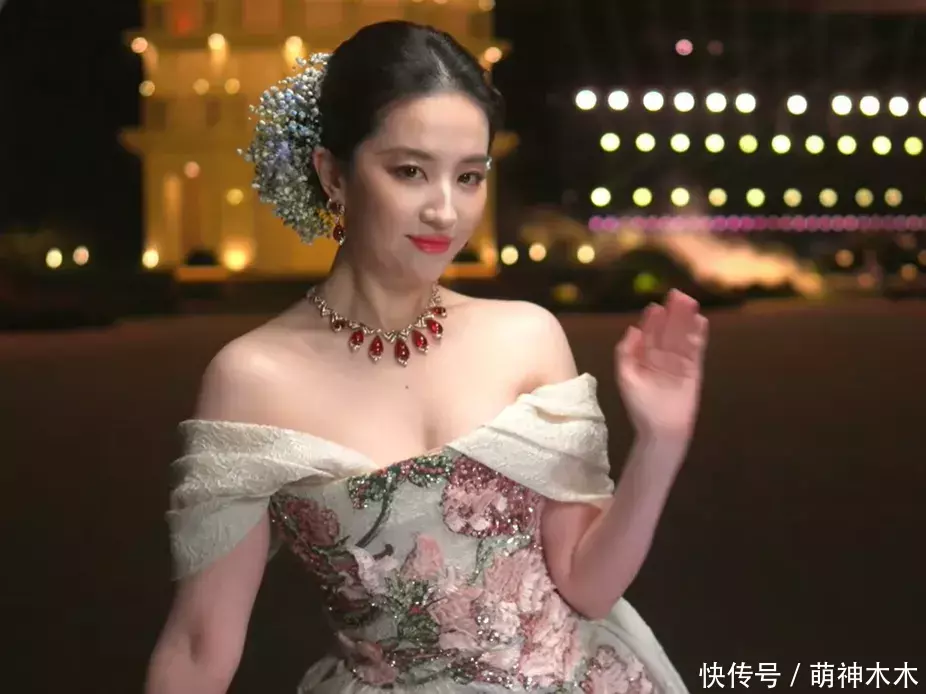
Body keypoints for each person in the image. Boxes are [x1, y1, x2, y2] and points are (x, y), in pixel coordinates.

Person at [145, 20, 707, 694]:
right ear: (334, 175)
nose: (446, 211)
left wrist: (661, 443)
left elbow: (587, 586)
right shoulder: (253, 379)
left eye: (468, 176)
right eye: (409, 171)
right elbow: (199, 646)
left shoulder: (527, 336)